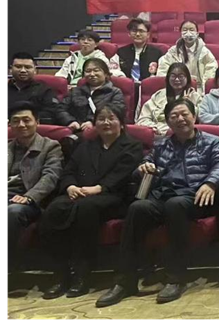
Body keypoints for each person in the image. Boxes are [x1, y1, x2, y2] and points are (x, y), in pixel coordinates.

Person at [95, 99, 219, 307]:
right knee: (138, 208)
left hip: (196, 196)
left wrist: (210, 183)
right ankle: (125, 281)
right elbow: (144, 164)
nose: (180, 119)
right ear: (168, 122)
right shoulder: (161, 145)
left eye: (184, 114)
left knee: (175, 205)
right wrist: (143, 167)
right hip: (164, 194)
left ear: (194, 117)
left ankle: (176, 277)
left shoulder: (212, 142)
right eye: (174, 116)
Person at [40, 104, 142, 299]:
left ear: (121, 122)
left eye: (111, 118)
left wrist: (99, 188)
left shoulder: (132, 145)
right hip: (79, 194)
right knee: (54, 209)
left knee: (85, 208)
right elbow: (69, 170)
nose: (106, 122)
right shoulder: (86, 145)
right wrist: (70, 186)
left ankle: (82, 274)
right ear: (94, 123)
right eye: (101, 119)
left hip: (114, 196)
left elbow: (122, 174)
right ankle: (61, 274)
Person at [7, 102, 63, 271]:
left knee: (13, 211)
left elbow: (50, 177)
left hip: (31, 201)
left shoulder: (50, 146)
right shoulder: (8, 147)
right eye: (16, 121)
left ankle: (11, 266)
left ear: (37, 122)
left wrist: (29, 197)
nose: (21, 125)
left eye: (26, 120)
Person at [58, 59, 126, 133]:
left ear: (106, 74)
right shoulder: (75, 91)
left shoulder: (115, 92)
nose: (92, 74)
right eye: (88, 71)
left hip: (102, 130)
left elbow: (116, 113)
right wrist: (70, 121)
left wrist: (92, 122)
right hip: (76, 130)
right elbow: (61, 109)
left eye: (96, 70)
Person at [137, 62, 203, 137]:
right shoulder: (158, 95)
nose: (177, 79)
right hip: (158, 134)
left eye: (181, 76)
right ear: (168, 78)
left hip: (184, 134)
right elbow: (143, 119)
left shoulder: (195, 96)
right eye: (173, 76)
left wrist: (188, 104)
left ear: (187, 78)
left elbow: (201, 119)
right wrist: (155, 128)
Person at [156, 20, 218, 92]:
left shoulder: (204, 52)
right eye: (185, 30)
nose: (188, 33)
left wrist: (204, 90)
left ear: (197, 33)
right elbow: (163, 69)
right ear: (181, 33)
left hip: (198, 89)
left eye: (191, 30)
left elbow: (211, 71)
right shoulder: (173, 52)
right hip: (176, 87)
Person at [7, 52, 63, 124]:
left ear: (35, 70)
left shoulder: (44, 90)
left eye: (27, 67)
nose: (23, 70)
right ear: (10, 69)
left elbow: (51, 112)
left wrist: (26, 120)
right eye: (18, 67)